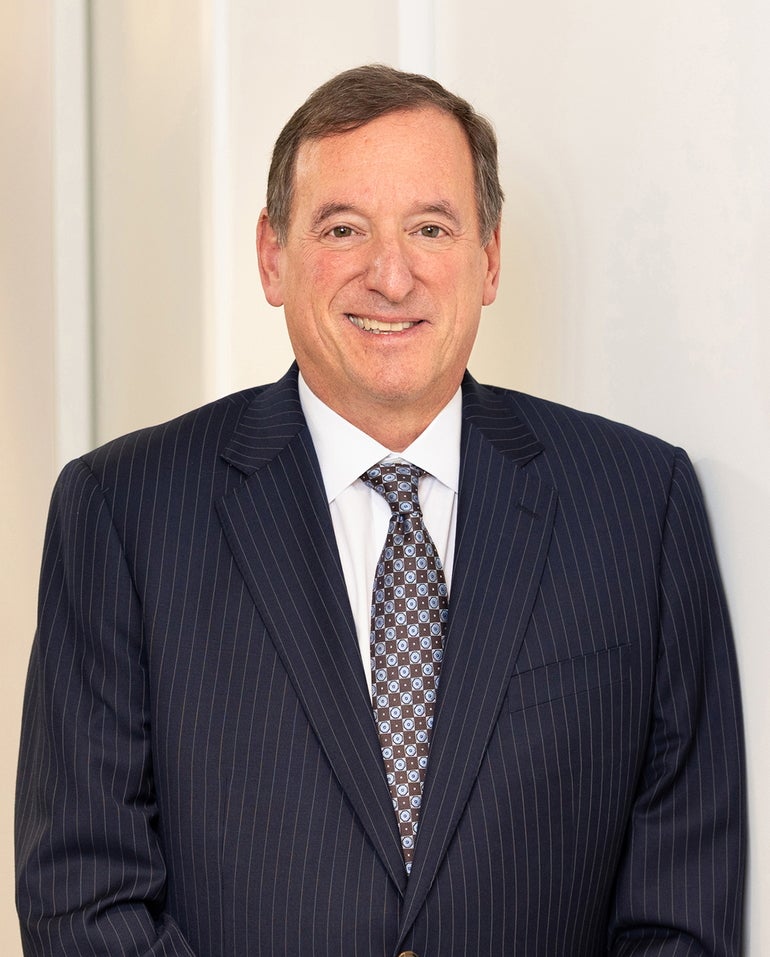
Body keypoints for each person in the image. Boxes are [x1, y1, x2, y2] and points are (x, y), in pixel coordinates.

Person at [16, 64, 745, 956]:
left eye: (431, 227)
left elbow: (684, 896)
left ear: (491, 259)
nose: (390, 275)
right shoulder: (122, 513)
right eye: (343, 228)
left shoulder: (640, 505)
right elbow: (83, 891)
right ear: (272, 256)